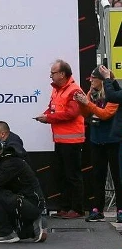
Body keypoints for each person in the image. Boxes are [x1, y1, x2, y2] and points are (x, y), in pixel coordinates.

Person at [37, 59, 84, 218]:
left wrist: (49, 118)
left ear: (62, 74)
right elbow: (52, 108)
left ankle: (77, 209)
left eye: (53, 73)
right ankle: (64, 207)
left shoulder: (74, 91)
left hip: (72, 141)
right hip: (60, 140)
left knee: (73, 176)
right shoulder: (57, 90)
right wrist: (45, 115)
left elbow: (72, 114)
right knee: (62, 175)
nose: (50, 75)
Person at [75, 67, 120, 222]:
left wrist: (88, 103)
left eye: (93, 78)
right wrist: (81, 102)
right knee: (97, 175)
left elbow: (106, 114)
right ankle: (97, 209)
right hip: (96, 139)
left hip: (113, 140)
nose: (91, 80)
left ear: (101, 79)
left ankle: (120, 210)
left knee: (117, 176)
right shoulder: (91, 93)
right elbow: (85, 113)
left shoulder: (112, 93)